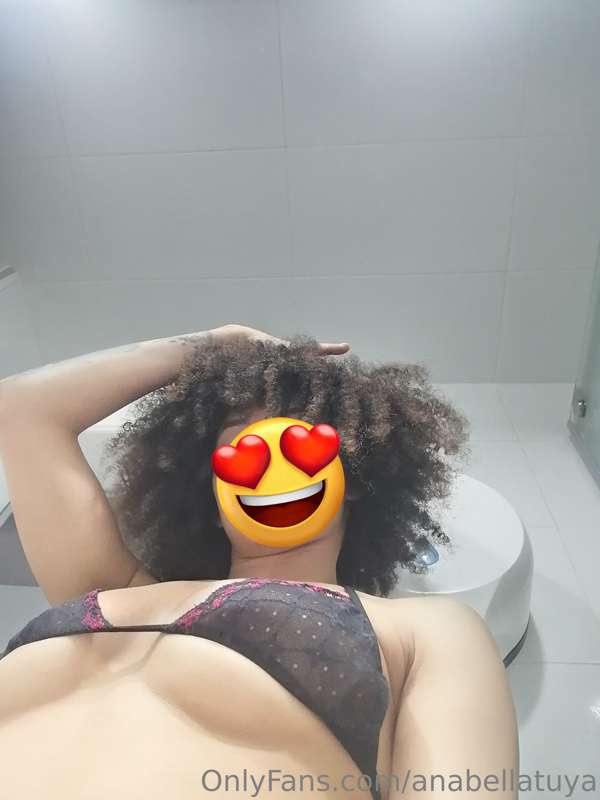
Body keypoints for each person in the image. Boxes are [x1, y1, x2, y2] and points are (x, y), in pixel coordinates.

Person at [0, 323, 518, 799]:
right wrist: (217, 342)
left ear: (353, 478)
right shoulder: (114, 586)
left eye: (296, 438)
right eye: (240, 441)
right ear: (212, 495)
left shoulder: (421, 630)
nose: (270, 461)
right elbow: (22, 406)